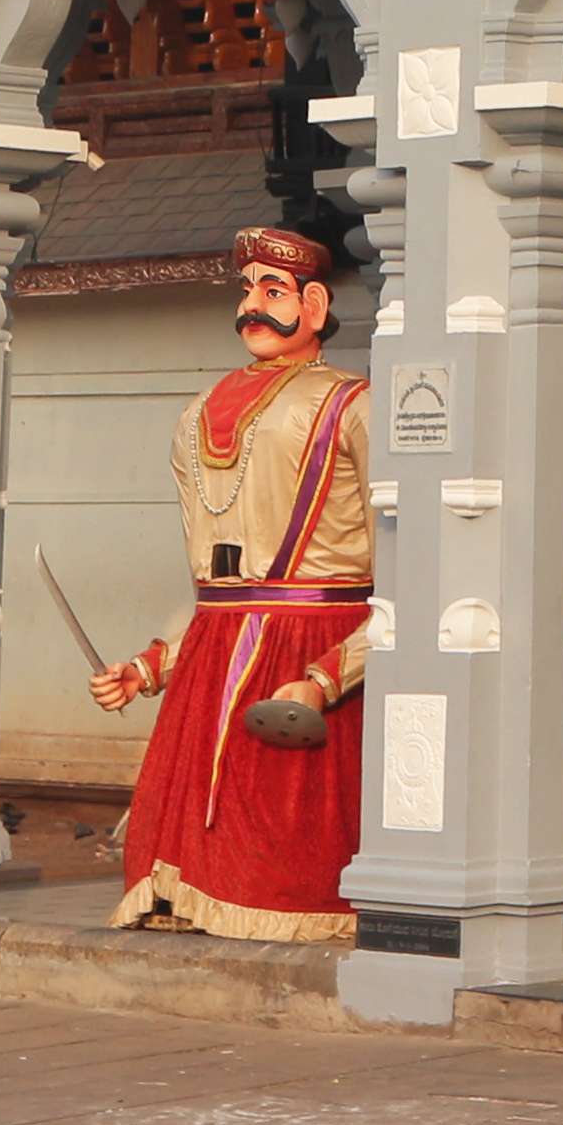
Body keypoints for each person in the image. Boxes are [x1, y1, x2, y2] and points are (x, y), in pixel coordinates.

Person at [91, 224, 370, 937]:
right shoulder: (194, 415)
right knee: (181, 825)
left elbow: (413, 573)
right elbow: (216, 586)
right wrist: (150, 665)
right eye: (246, 290)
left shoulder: (353, 405)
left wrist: (330, 672)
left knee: (284, 834)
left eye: (272, 290)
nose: (252, 305)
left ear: (313, 304)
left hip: (314, 638)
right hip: (214, 650)